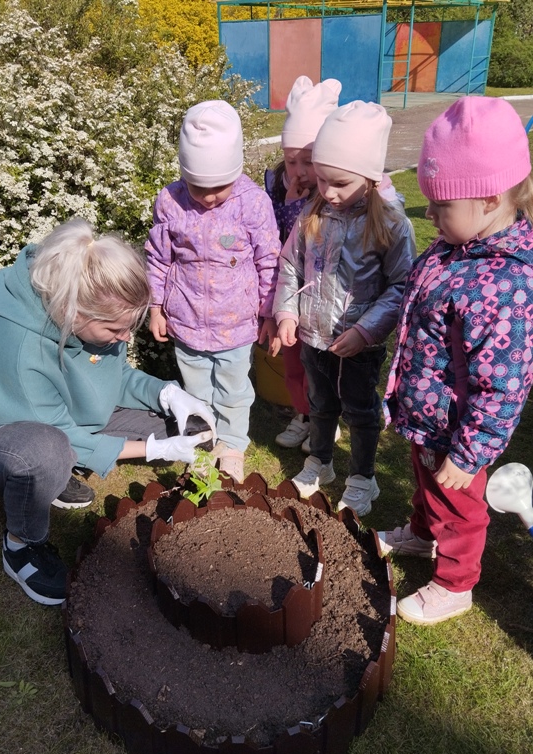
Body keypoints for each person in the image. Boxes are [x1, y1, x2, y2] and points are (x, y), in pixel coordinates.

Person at [0, 218, 215, 606]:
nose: (127, 338)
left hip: (49, 418)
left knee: (169, 427)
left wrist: (169, 395)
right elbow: (59, 431)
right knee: (47, 451)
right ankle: (22, 548)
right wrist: (151, 451)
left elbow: (116, 378)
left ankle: (54, 474)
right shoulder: (21, 345)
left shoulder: (91, 314)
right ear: (74, 313)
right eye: (117, 330)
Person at [381, 96, 533, 625]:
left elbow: (502, 388)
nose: (429, 215)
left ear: (489, 198)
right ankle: (422, 536)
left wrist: (469, 455)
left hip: (460, 431)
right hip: (430, 418)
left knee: (460, 508)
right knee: (427, 489)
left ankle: (455, 583)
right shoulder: (454, 248)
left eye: (441, 205)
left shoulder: (506, 286)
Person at [273, 101, 415, 514]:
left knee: (360, 409)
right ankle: (320, 461)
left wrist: (366, 330)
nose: (327, 192)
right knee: (320, 404)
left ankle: (362, 477)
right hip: (314, 336)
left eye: (339, 183)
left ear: (369, 177)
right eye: (321, 180)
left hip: (358, 345)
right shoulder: (310, 214)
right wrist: (286, 312)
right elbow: (289, 264)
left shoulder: (391, 223)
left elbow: (403, 284)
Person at [145, 100, 281, 484]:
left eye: (218, 187)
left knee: (234, 390)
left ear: (236, 170)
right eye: (198, 186)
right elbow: (157, 258)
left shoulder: (253, 203)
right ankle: (204, 441)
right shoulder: (170, 201)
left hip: (237, 325)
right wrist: (157, 307)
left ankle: (233, 444)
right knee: (196, 388)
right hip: (186, 322)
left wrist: (269, 314)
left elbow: (269, 261)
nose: (207, 197)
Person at [264, 75, 342, 453]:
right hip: (292, 296)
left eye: (309, 161)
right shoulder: (278, 187)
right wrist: (291, 201)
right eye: (291, 160)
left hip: (327, 301)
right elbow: (277, 237)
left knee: (324, 369)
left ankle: (326, 419)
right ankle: (305, 415)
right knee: (296, 366)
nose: (299, 170)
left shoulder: (336, 195)